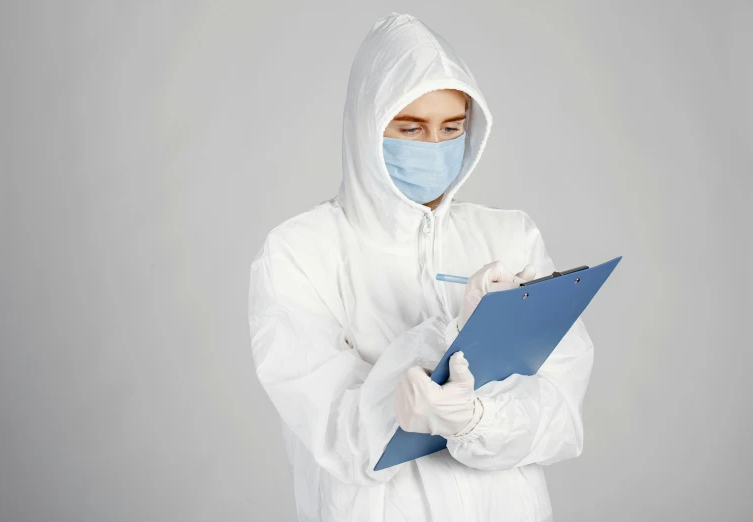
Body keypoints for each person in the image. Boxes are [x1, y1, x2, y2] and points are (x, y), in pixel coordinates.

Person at [248, 12, 594, 522]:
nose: (435, 147)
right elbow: (340, 439)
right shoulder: (302, 252)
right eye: (410, 129)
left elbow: (559, 419)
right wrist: (453, 335)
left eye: (452, 128)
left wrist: (474, 420)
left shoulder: (508, 237)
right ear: (366, 128)